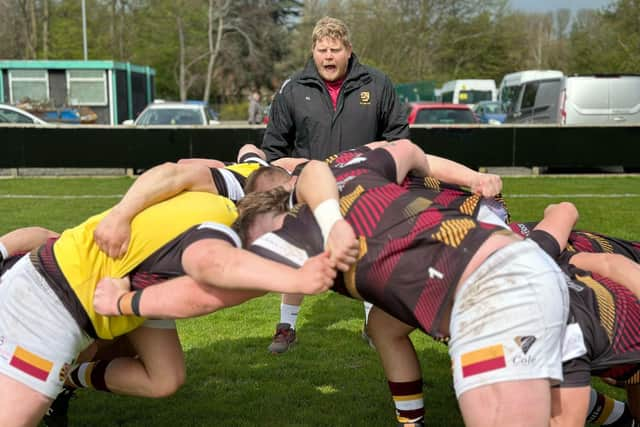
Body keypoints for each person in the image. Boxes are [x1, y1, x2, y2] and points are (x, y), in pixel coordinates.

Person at [236, 141, 570, 427]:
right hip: (493, 272)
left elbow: (311, 175)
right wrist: (474, 176)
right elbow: (409, 151)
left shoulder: (307, 216)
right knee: (383, 327)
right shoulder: (351, 166)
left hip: (488, 280)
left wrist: (332, 224)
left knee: (513, 403)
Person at [0, 189, 338, 426]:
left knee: (165, 377)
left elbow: (172, 172)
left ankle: (68, 378)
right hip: (55, 301)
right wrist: (298, 281)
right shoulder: (221, 236)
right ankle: (62, 376)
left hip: (99, 283)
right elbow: (206, 276)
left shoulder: (222, 196)